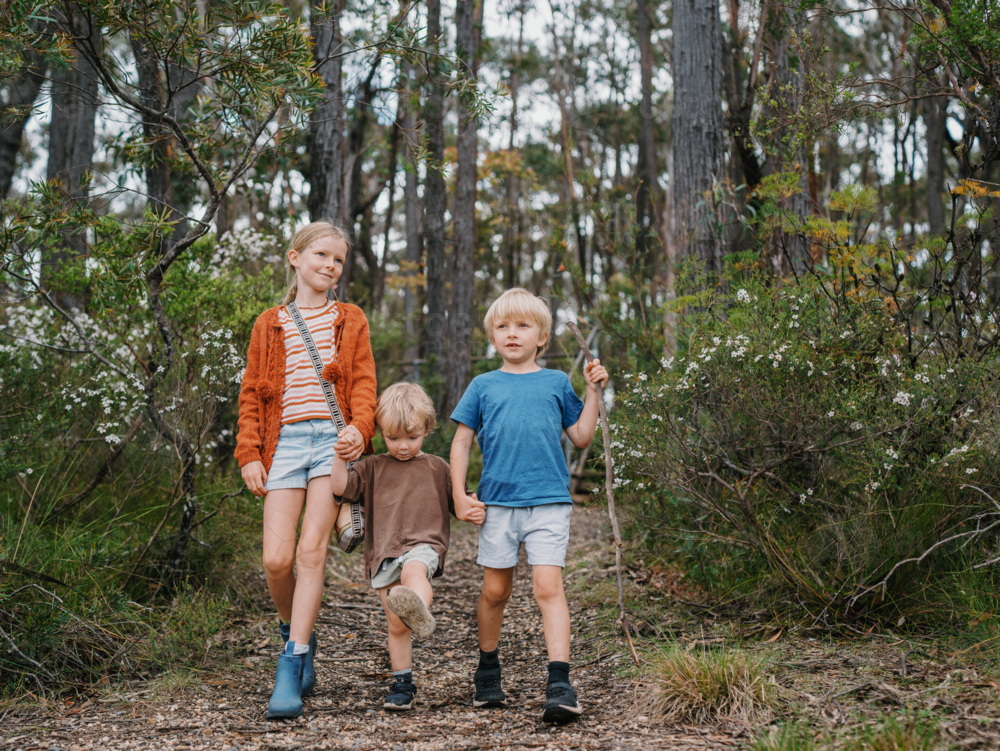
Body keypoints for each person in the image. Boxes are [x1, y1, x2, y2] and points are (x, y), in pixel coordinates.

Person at [234, 221, 377, 719]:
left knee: (309, 552)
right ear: (295, 258)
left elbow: (362, 381)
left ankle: (291, 662)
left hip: (330, 444)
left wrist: (360, 427)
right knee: (276, 560)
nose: (330, 266)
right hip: (283, 445)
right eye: (321, 255)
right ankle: (299, 631)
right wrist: (249, 453)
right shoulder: (267, 323)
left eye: (337, 260)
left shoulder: (350, 318)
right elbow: (253, 392)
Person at [449, 288, 609, 724]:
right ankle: (488, 669)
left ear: (541, 337)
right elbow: (461, 442)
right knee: (495, 591)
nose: (512, 334)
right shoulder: (483, 385)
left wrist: (594, 392)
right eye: (503, 326)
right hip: (498, 504)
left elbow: (581, 436)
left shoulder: (556, 382)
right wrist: (460, 494)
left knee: (547, 588)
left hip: (549, 502)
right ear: (492, 336)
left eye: (523, 326)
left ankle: (560, 682)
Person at [330, 382, 484, 711]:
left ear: (427, 429)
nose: (402, 446)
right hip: (384, 551)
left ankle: (420, 609)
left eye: (412, 438)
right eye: (393, 438)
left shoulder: (439, 467)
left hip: (424, 543)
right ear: (380, 432)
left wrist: (472, 509)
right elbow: (341, 487)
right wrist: (339, 454)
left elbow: (460, 503)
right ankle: (403, 683)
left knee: (416, 572)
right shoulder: (371, 467)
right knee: (395, 625)